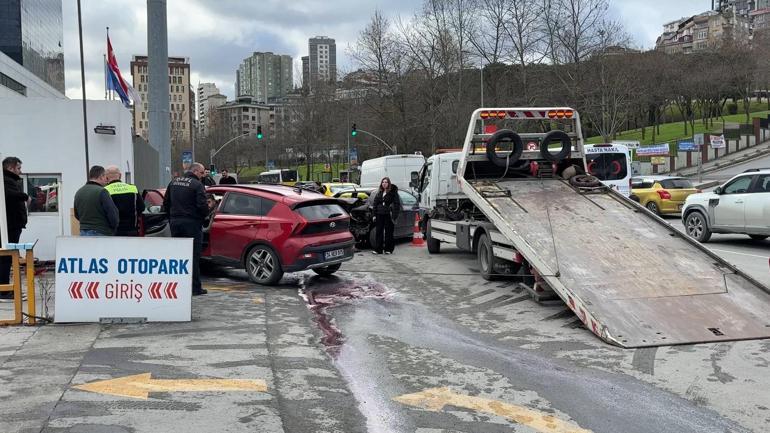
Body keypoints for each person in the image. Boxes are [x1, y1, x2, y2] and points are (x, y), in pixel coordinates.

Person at [163, 162, 209, 296]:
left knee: (179, 256)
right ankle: (195, 288)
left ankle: (178, 285)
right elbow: (202, 206)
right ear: (195, 171)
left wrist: (171, 218)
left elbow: (166, 203)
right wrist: (204, 217)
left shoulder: (174, 182)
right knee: (193, 256)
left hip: (175, 223)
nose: (202, 176)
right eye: (201, 173)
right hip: (192, 224)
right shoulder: (197, 185)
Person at [1, 157, 28, 300]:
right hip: (10, 226)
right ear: (10, 168)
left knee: (7, 258)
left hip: (12, 225)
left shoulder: (9, 180)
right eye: (18, 168)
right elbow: (10, 195)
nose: (20, 171)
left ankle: (5, 289)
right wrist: (24, 196)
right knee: (6, 258)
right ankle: (4, 291)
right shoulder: (5, 180)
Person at [74, 165, 119, 236]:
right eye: (105, 177)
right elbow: (112, 214)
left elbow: (76, 214)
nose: (106, 180)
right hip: (101, 232)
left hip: (83, 233)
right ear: (101, 176)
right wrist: (113, 229)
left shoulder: (79, 192)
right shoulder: (102, 191)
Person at [104, 165, 145, 236]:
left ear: (106, 177)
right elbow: (142, 207)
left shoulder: (105, 190)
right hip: (132, 230)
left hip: (114, 231)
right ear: (120, 176)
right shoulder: (133, 188)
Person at [370, 177, 401, 255]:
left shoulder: (393, 193)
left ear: (389, 183)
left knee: (389, 232)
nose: (384, 183)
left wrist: (394, 215)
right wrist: (374, 215)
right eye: (383, 182)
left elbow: (397, 205)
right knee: (379, 232)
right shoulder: (379, 192)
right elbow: (375, 204)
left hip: (388, 215)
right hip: (379, 214)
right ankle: (378, 249)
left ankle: (388, 249)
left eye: (386, 182)